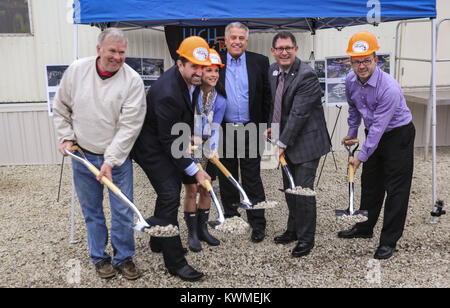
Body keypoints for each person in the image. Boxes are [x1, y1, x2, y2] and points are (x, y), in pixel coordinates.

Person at [53, 28, 146, 280]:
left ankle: (124, 257)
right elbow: (61, 108)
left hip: (117, 157)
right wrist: (66, 137)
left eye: (122, 52)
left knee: (122, 210)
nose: (117, 57)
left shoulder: (132, 81)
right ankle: (99, 257)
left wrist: (110, 161)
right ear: (98, 50)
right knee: (92, 210)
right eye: (112, 51)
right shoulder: (76, 71)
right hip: (83, 154)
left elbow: (130, 127)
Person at [131, 36, 212, 282]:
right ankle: (175, 261)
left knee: (168, 192)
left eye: (202, 66)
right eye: (194, 66)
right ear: (180, 64)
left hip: (167, 141)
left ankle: (158, 241)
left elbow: (180, 126)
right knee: (169, 193)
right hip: (151, 148)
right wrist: (195, 169)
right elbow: (168, 142)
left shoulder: (191, 81)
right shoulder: (167, 92)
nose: (199, 72)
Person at [338, 31, 415, 260]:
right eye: (357, 61)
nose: (362, 66)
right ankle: (364, 228)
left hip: (397, 135)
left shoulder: (388, 88)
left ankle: (389, 241)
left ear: (375, 60)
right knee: (370, 183)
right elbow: (353, 109)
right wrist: (352, 134)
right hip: (373, 132)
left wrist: (359, 157)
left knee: (396, 189)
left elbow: (380, 128)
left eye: (366, 60)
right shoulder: (350, 81)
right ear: (350, 61)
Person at [267, 31, 330, 257]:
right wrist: (272, 129)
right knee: (289, 189)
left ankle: (306, 240)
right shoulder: (273, 70)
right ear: (273, 51)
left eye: (288, 48)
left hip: (307, 143)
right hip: (287, 141)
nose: (284, 52)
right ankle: (293, 230)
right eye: (280, 48)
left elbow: (298, 114)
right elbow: (275, 103)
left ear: (296, 49)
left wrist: (281, 142)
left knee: (302, 192)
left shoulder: (307, 76)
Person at [217, 22, 272, 243]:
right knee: (227, 175)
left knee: (252, 177)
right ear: (226, 40)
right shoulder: (215, 61)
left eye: (241, 38)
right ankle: (231, 217)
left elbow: (267, 96)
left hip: (252, 128)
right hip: (225, 128)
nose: (237, 41)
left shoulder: (260, 62)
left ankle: (258, 222)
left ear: (246, 41)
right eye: (233, 37)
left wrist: (268, 125)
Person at [183, 49, 226, 252]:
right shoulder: (190, 93)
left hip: (207, 148)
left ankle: (203, 230)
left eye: (216, 71)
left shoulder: (221, 100)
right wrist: (191, 138)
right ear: (201, 71)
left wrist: (214, 148)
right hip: (187, 146)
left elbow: (215, 127)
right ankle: (192, 233)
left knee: (206, 188)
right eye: (209, 70)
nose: (213, 74)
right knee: (191, 190)